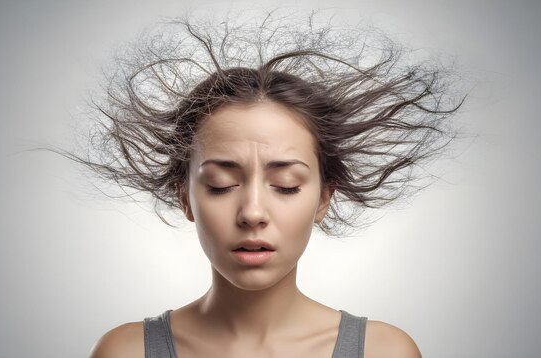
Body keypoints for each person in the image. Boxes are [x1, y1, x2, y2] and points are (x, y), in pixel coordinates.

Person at [77, 11, 464, 358]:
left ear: (323, 200)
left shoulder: (385, 352)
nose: (253, 213)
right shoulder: (125, 351)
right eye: (220, 183)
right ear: (185, 198)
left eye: (286, 184)